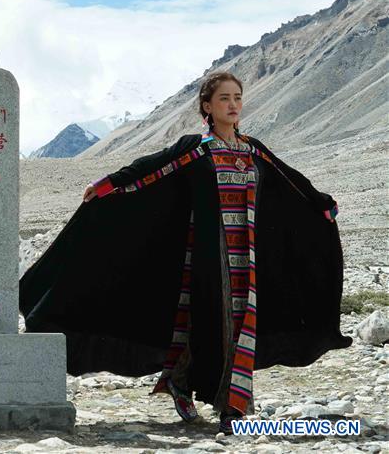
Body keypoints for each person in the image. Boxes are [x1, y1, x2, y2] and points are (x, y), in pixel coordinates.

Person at [19, 71, 350, 435]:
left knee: (242, 324)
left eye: (237, 97)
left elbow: (291, 179)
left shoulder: (253, 150)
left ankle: (229, 407)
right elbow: (151, 167)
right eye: (224, 98)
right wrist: (107, 185)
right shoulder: (197, 148)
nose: (233, 104)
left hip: (247, 257)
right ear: (207, 106)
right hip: (206, 257)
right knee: (206, 323)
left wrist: (322, 205)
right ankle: (189, 386)